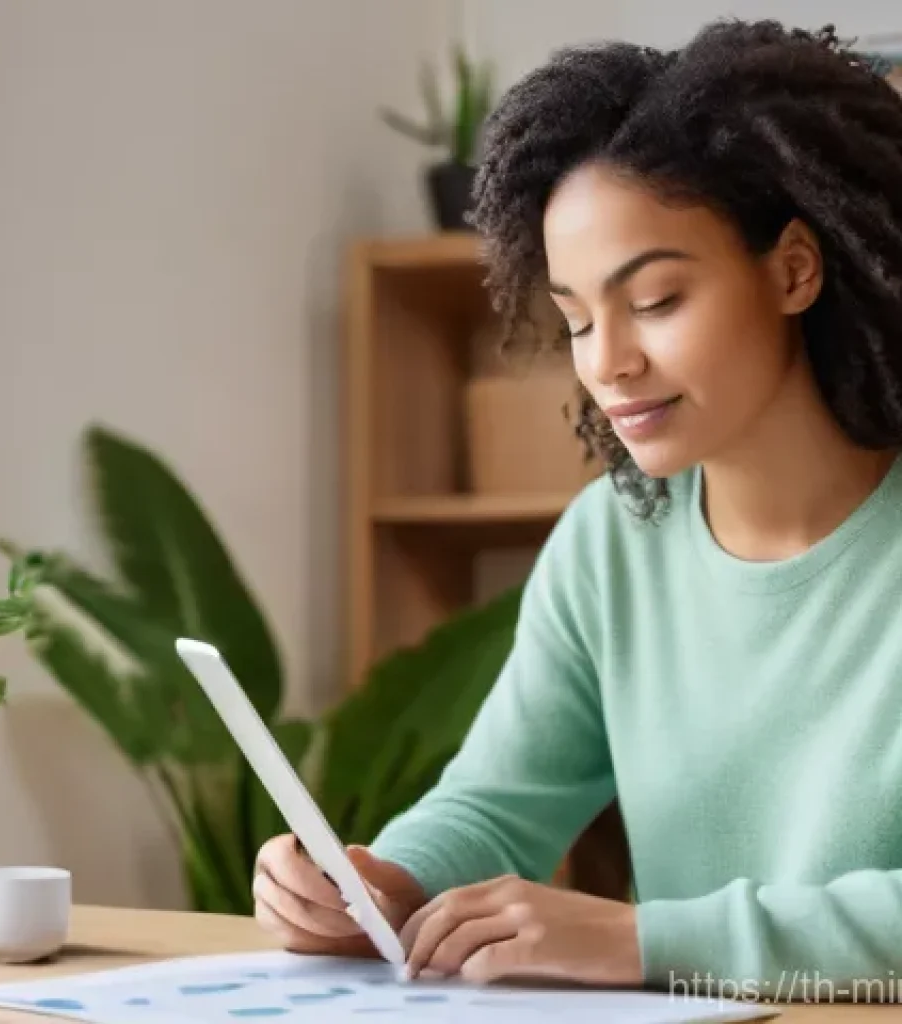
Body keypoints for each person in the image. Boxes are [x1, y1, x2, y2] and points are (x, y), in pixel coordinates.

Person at [254, 19, 902, 999]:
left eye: (655, 300)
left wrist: (646, 941)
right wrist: (382, 880)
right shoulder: (613, 541)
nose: (606, 362)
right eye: (577, 319)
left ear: (794, 269)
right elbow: (494, 803)